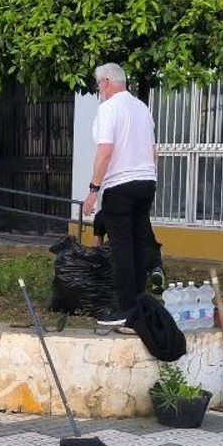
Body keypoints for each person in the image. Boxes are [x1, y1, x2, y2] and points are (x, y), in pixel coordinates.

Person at [80, 62, 159, 328]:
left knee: (122, 248)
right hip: (146, 182)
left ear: (105, 82)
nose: (98, 90)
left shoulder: (108, 109)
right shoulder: (141, 107)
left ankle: (125, 309)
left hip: (120, 187)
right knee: (138, 245)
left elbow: (105, 151)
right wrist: (150, 175)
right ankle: (139, 304)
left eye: (98, 85)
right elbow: (152, 149)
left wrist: (93, 189)